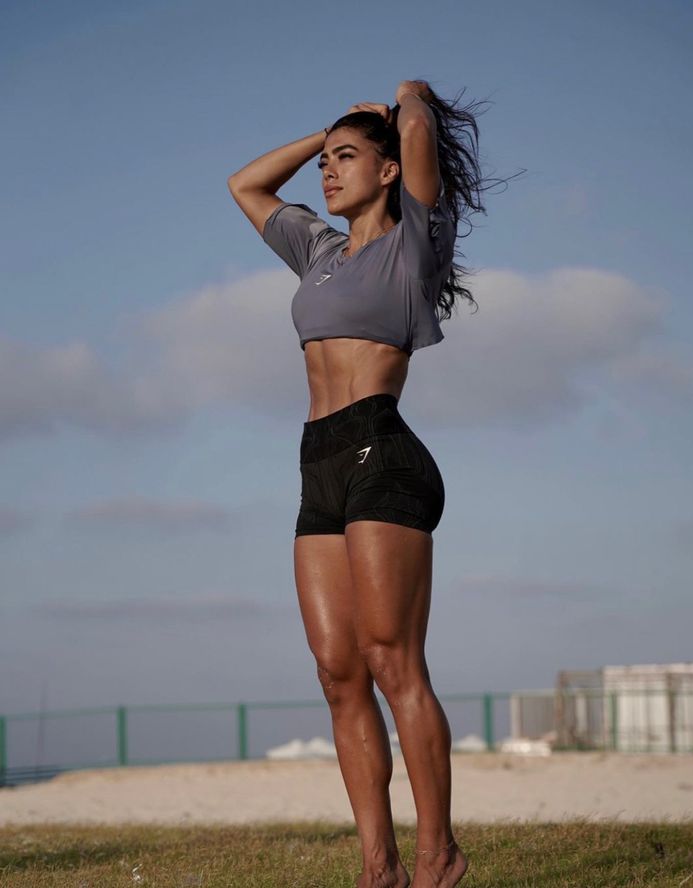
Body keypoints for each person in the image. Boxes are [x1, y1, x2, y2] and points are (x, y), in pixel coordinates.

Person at [228, 79, 489, 888]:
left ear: (385, 172)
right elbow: (246, 184)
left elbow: (415, 136)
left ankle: (437, 855)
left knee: (390, 658)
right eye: (326, 163)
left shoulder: (411, 240)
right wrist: (328, 130)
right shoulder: (317, 249)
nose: (327, 174)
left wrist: (405, 99)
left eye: (346, 161)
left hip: (385, 451)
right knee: (338, 671)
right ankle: (378, 870)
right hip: (320, 465)